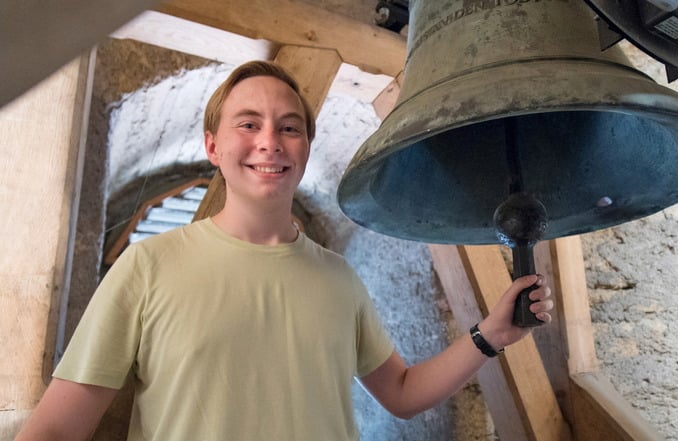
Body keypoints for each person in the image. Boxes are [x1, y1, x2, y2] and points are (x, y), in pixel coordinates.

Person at [14, 61, 554, 441]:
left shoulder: (339, 279)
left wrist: (493, 334)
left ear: (305, 148)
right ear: (213, 146)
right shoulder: (147, 267)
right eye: (248, 124)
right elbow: (58, 429)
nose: (269, 141)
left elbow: (402, 393)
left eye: (289, 127)